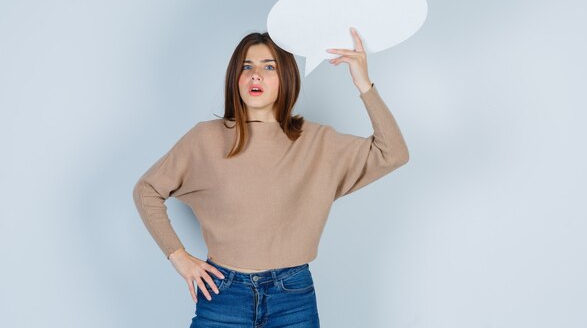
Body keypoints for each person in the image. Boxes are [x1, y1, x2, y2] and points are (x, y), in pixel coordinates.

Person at [132, 27, 410, 327]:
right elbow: (147, 189)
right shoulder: (205, 139)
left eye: (269, 67)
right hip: (223, 292)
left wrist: (363, 83)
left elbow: (393, 152)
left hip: (292, 296)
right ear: (235, 78)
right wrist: (178, 256)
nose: (255, 76)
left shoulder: (317, 141)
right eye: (247, 67)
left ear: (286, 78)